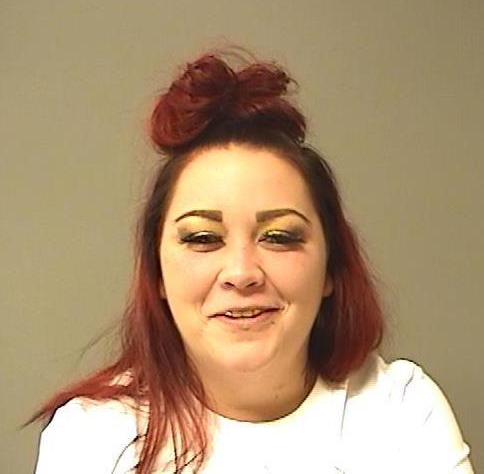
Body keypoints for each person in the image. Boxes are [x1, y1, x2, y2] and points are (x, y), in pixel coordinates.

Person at [31, 50, 474, 474]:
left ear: (331, 267)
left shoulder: (400, 411)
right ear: (157, 272)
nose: (242, 273)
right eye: (203, 238)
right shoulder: (90, 436)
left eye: (279, 237)